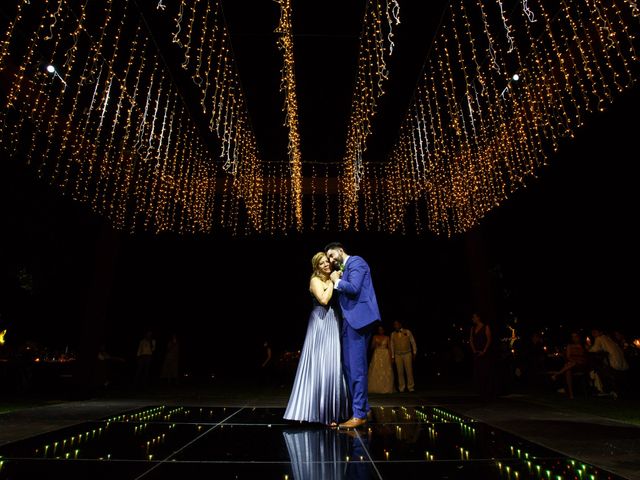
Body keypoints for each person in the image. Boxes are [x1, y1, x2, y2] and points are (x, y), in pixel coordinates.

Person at [283, 252, 349, 426]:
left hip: (333, 321)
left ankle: (332, 412)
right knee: (318, 363)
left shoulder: (334, 277)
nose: (326, 264)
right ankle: (313, 411)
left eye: (327, 261)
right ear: (316, 267)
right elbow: (324, 300)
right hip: (320, 322)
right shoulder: (315, 281)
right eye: (322, 263)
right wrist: (333, 281)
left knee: (332, 364)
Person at [326, 242, 381, 429]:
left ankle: (358, 414)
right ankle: (363, 409)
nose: (331, 260)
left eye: (332, 255)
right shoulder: (344, 268)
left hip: (359, 320)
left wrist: (336, 281)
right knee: (350, 367)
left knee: (356, 368)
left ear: (341, 250)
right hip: (349, 322)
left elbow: (355, 288)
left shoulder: (356, 261)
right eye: (329, 258)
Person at [551, 331, 589, 399]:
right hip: (573, 364)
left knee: (569, 366)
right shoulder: (570, 346)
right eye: (572, 337)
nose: (574, 338)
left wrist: (580, 360)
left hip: (581, 365)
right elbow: (568, 357)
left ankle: (557, 374)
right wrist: (573, 361)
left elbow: (587, 356)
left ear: (579, 337)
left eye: (575, 336)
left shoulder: (584, 345)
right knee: (568, 370)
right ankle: (571, 394)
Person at [469, 312, 495, 401]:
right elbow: (471, 340)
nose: (473, 319)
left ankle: (486, 391)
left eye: (474, 317)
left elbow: (489, 339)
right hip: (476, 352)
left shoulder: (485, 327)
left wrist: (484, 350)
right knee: (478, 371)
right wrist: (474, 350)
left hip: (485, 352)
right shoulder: (473, 328)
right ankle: (479, 391)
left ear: (478, 318)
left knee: (485, 371)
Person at [390, 320, 417, 393]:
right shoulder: (393, 334)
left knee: (409, 371)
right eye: (394, 325)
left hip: (407, 353)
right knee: (400, 372)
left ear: (400, 324)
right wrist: (392, 356)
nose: (395, 326)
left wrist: (414, 352)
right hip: (397, 354)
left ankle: (410, 387)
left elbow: (413, 342)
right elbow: (392, 345)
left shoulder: (407, 331)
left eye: (397, 324)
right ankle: (401, 388)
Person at [368, 324, 394, 394]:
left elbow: (389, 348)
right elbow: (371, 347)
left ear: (384, 330)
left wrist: (391, 357)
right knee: (376, 370)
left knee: (385, 370)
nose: (380, 331)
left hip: (385, 355)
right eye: (379, 329)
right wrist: (375, 344)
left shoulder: (387, 337)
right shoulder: (375, 336)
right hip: (377, 354)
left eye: (381, 329)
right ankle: (376, 388)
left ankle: (385, 388)